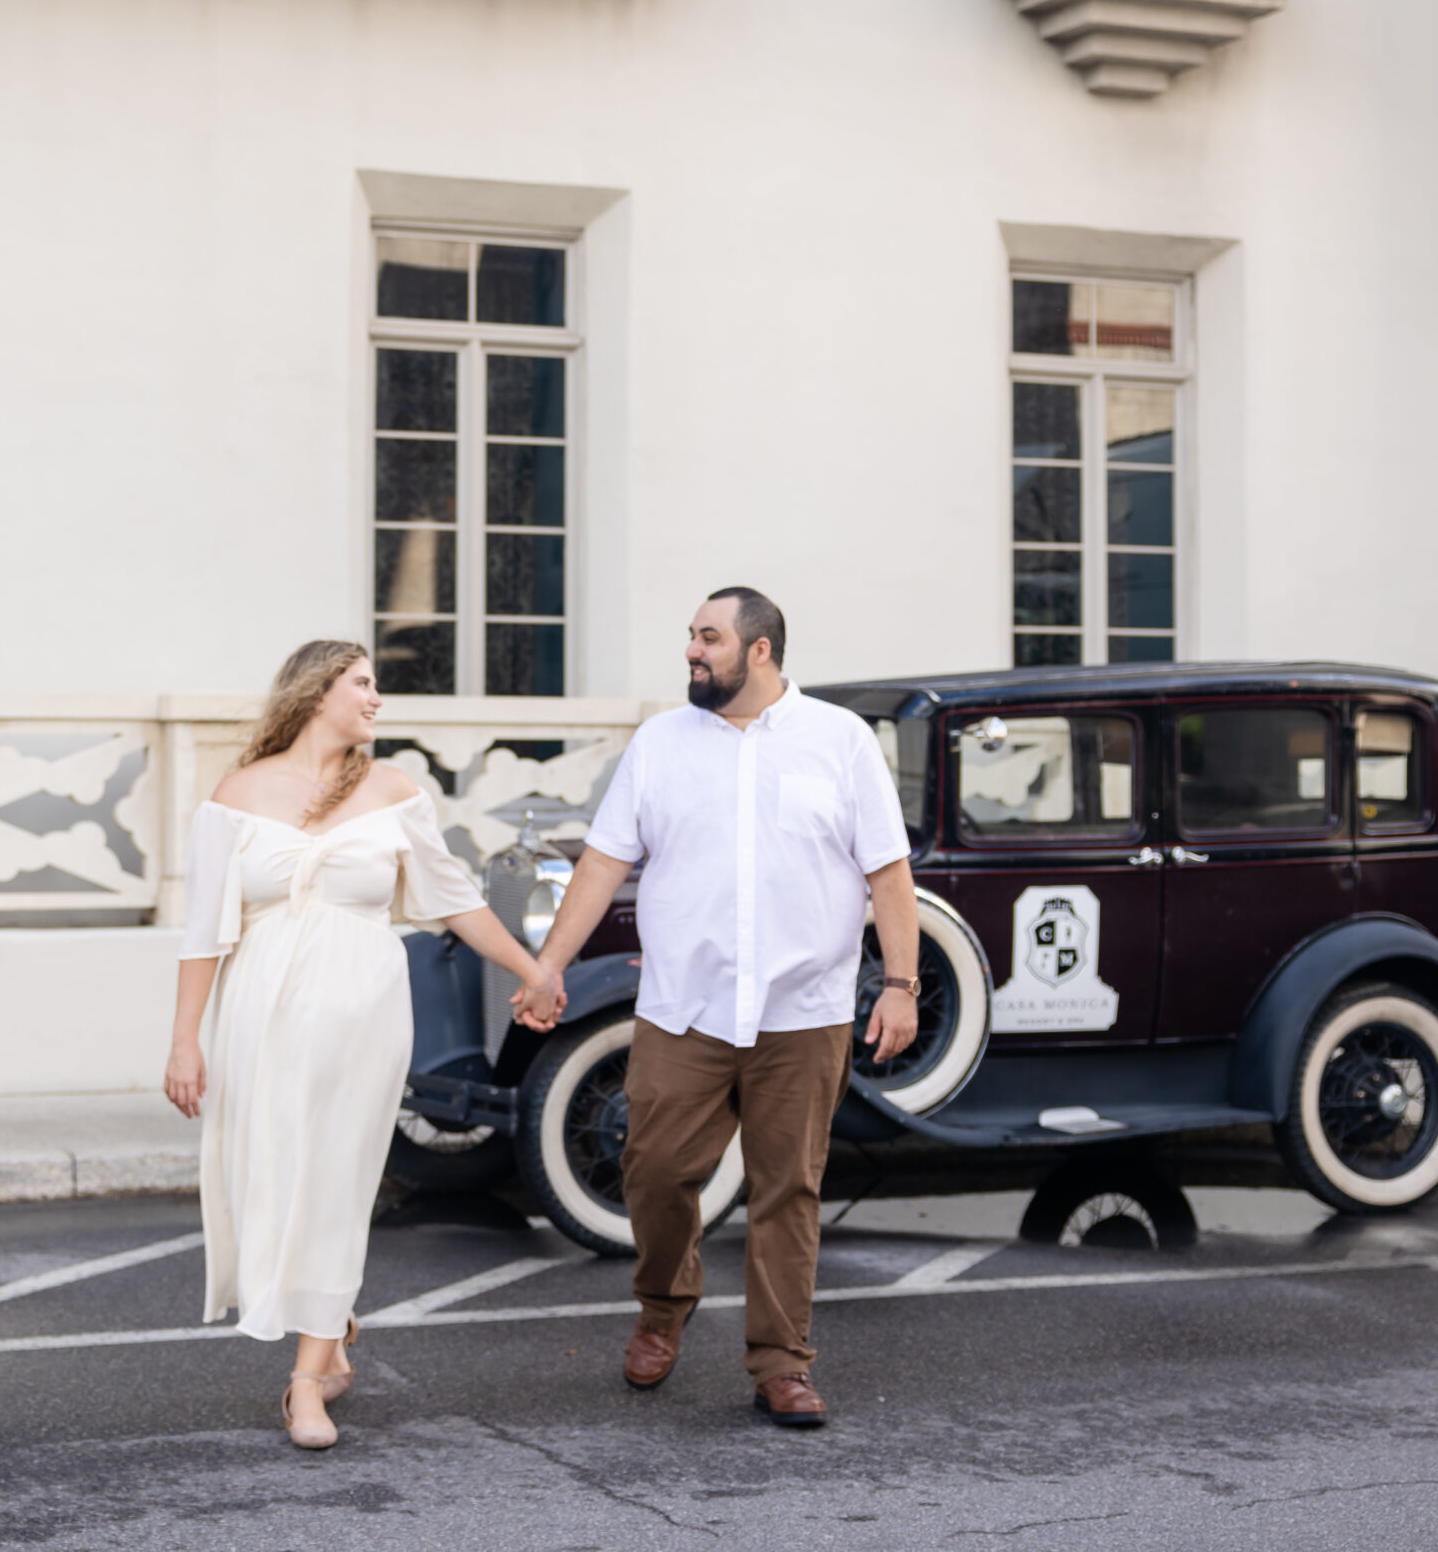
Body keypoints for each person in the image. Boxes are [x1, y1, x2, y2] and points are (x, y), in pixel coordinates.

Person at [531, 587, 920, 1427]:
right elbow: (601, 863)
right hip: (685, 1009)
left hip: (805, 1010)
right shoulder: (659, 743)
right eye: (690, 636)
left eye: (708, 637)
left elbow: (889, 873)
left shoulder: (841, 742)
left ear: (762, 650)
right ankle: (664, 1301)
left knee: (789, 1188)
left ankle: (782, 1361)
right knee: (656, 1168)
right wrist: (548, 965)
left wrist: (901, 984)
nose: (691, 651)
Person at [164, 639, 563, 1451]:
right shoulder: (238, 793)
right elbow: (203, 928)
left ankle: (308, 1378)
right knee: (269, 1170)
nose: (377, 698)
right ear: (317, 693)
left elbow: (455, 900)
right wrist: (184, 1041)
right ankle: (331, 1313)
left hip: (364, 1012)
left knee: (340, 1178)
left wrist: (535, 969)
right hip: (258, 1012)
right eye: (363, 683)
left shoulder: (393, 790)